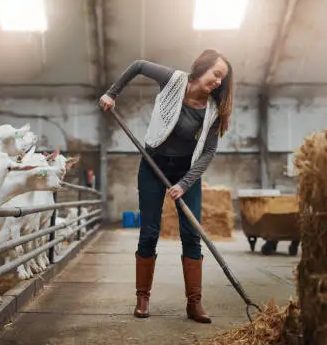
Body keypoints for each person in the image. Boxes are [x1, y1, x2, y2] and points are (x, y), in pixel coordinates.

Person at [98, 49, 233, 323]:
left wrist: (184, 184)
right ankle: (142, 298)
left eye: (223, 79)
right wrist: (112, 93)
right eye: (216, 74)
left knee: (191, 235)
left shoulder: (213, 110)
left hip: (187, 172)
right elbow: (137, 65)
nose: (219, 82)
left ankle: (194, 303)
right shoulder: (173, 80)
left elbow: (207, 153)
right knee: (149, 232)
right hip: (153, 164)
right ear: (201, 68)